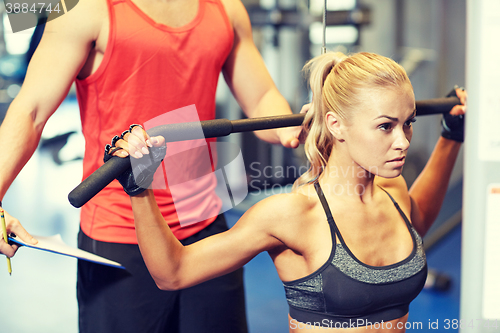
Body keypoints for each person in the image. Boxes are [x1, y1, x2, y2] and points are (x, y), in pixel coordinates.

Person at [108, 51, 466, 332]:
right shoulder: (291, 215)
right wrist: (140, 189)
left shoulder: (393, 190)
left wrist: (451, 136)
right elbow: (174, 272)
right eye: (385, 127)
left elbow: (416, 219)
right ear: (336, 124)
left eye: (408, 123)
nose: (402, 141)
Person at [0, 0, 303, 331]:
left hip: (204, 224)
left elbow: (261, 98)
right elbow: (30, 113)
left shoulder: (226, 8)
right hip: (121, 233)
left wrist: (291, 127)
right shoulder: (87, 9)